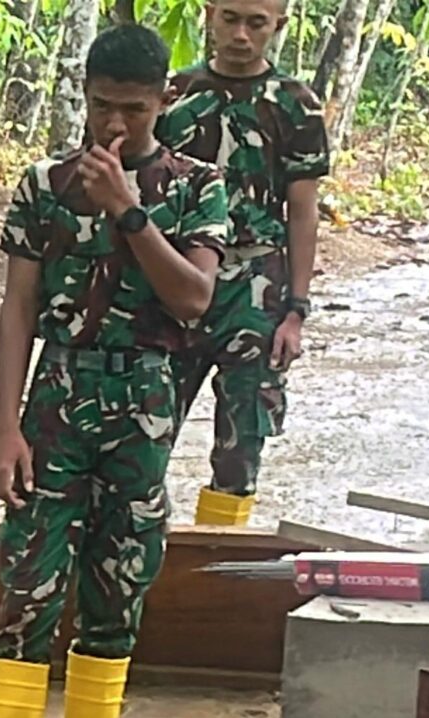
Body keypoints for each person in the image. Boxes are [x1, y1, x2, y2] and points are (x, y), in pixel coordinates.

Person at [0, 23, 229, 718]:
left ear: (164, 101)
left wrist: (131, 213)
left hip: (144, 402)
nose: (112, 127)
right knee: (29, 583)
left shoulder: (193, 187)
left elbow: (194, 300)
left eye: (131, 111)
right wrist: (5, 428)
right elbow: (19, 309)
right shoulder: (45, 185)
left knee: (118, 586)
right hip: (57, 399)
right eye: (101, 107)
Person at [156, 0, 329, 526]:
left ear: (279, 23)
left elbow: (302, 211)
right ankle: (138, 552)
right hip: (174, 278)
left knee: (241, 444)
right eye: (230, 18)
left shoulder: (296, 105)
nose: (240, 35)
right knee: (145, 430)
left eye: (256, 22)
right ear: (208, 14)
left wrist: (296, 310)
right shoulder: (171, 94)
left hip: (256, 286)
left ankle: (217, 555)